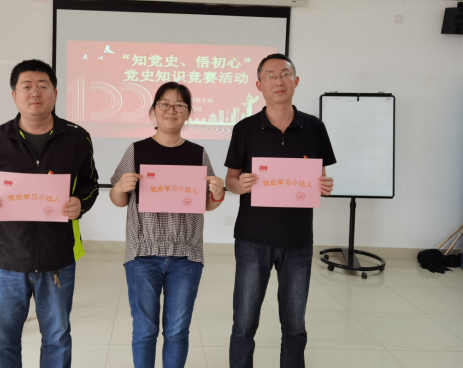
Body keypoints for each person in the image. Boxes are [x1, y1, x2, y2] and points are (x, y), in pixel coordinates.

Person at [0, 59, 99, 368]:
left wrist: (80, 202)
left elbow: (90, 184)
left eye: (43, 86)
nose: (35, 93)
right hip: (7, 258)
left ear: (55, 93)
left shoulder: (77, 137)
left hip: (58, 257)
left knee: (57, 339)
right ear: (14, 95)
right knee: (2, 341)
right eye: (26, 86)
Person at [225, 54, 336, 368]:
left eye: (285, 74)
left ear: (296, 81)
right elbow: (230, 180)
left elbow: (320, 177)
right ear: (258, 84)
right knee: (244, 323)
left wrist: (324, 186)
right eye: (270, 75)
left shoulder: (314, 127)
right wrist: (241, 185)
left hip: (298, 240)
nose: (279, 81)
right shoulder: (245, 128)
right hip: (252, 239)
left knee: (295, 325)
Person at [109, 82, 225, 368]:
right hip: (142, 254)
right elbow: (118, 200)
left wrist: (218, 193)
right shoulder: (136, 150)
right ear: (154, 110)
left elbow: (206, 204)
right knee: (145, 330)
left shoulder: (198, 153)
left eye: (179, 105)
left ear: (188, 113)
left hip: (186, 254)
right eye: (164, 104)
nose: (171, 110)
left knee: (177, 331)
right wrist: (121, 187)